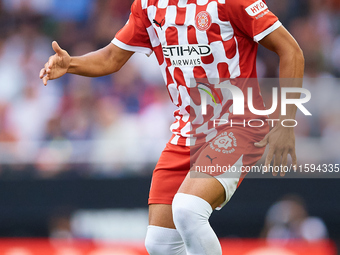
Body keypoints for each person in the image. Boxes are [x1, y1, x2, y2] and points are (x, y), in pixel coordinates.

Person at [39, 0, 304, 254]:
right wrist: (70, 63)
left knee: (188, 209)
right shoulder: (148, 5)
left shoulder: (231, 1)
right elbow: (111, 57)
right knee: (159, 242)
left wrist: (286, 123)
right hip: (186, 132)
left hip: (237, 125)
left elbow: (291, 50)